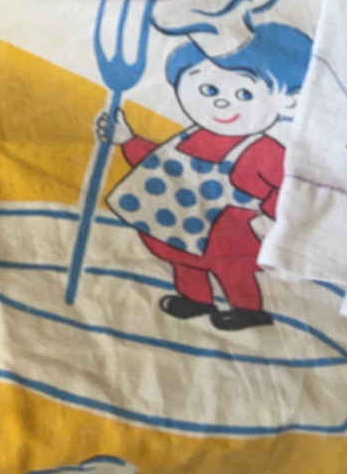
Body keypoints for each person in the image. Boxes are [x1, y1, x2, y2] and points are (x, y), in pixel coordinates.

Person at [96, 22, 312, 331]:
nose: (221, 102)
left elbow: (285, 189)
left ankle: (247, 309)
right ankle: (196, 299)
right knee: (183, 262)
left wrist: (277, 221)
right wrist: (127, 140)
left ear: (289, 100)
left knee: (231, 269)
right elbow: (159, 163)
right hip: (176, 221)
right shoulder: (190, 136)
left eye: (244, 93)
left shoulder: (261, 150)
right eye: (209, 90)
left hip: (228, 232)